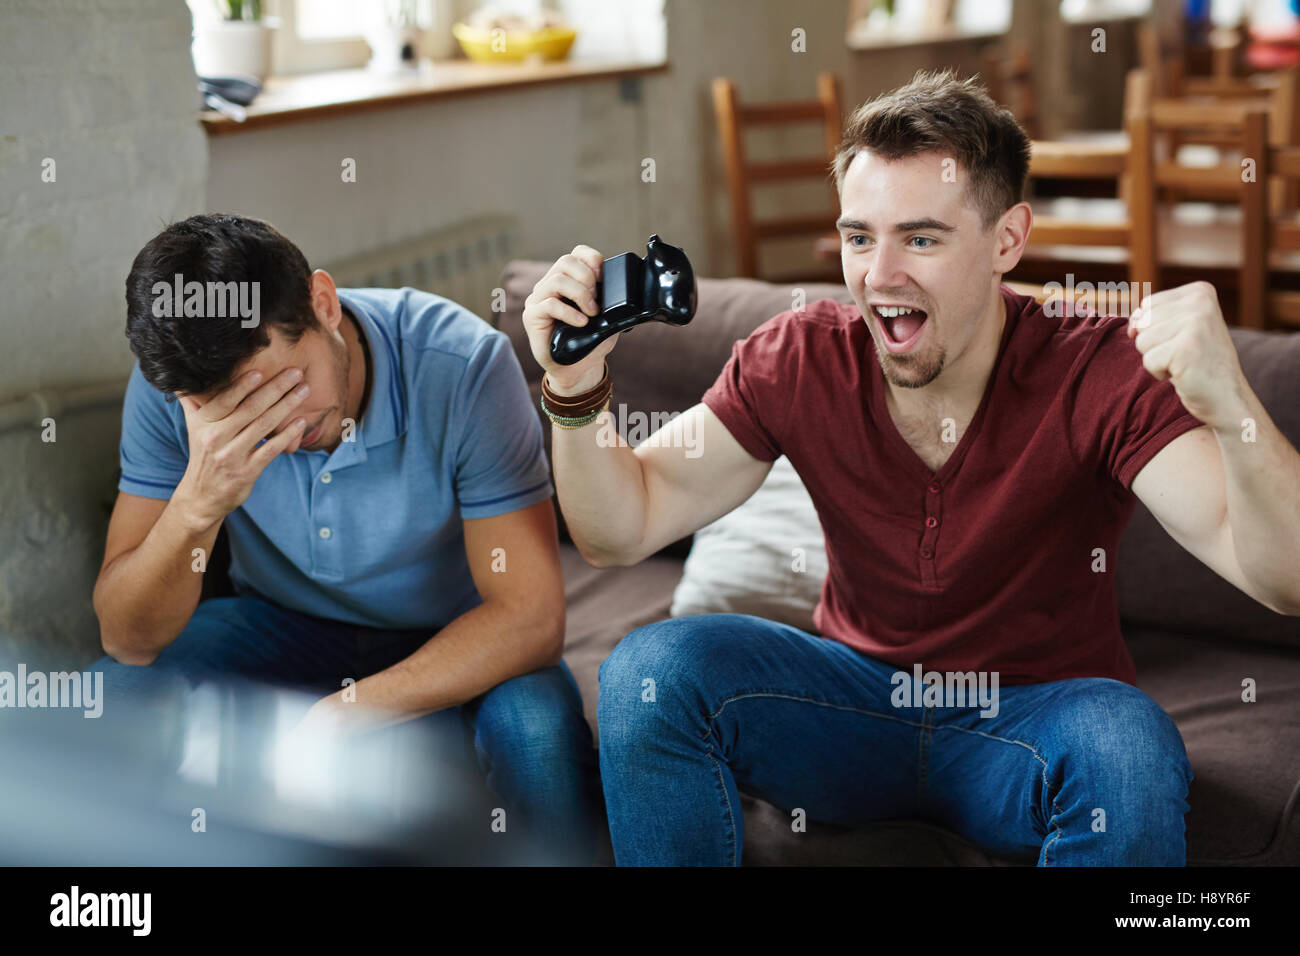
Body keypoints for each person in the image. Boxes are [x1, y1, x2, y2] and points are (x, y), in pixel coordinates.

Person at [520, 70, 1300, 866]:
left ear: (1008, 239)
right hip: (851, 709)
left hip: (1034, 724)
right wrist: (574, 389)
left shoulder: (1098, 369)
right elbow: (623, 530)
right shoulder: (797, 358)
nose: (879, 275)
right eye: (860, 237)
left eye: (921, 238)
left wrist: (1230, 397)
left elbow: (1282, 575)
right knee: (651, 672)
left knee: (1127, 741)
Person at [91, 214, 602, 863]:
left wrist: (346, 713)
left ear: (323, 305)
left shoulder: (463, 365)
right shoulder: (172, 393)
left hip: (456, 632)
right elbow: (128, 638)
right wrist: (198, 505)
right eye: (229, 410)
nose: (271, 424)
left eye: (280, 386)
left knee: (538, 736)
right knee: (107, 702)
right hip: (280, 622)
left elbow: (531, 618)